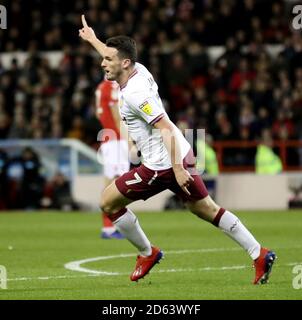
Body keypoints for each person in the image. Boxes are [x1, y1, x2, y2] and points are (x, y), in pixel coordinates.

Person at [79, 15, 276, 284]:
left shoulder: (136, 94)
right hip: (179, 152)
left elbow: (166, 129)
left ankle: (147, 253)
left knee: (107, 202)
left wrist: (177, 169)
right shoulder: (137, 68)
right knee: (206, 208)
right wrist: (93, 39)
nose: (103, 63)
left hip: (163, 164)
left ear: (124, 63)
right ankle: (259, 253)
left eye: (108, 60)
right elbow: (114, 55)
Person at [95, 78, 129, 239]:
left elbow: (99, 113)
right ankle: (110, 227)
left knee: (111, 183)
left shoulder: (101, 87)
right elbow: (117, 116)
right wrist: (129, 141)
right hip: (116, 141)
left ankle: (110, 226)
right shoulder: (113, 86)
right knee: (117, 185)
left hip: (109, 139)